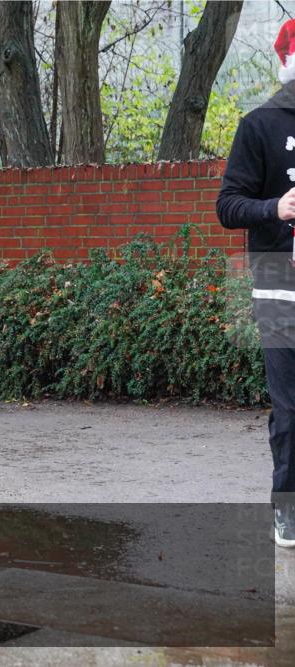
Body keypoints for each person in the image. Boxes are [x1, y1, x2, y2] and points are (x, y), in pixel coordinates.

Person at [216, 18, 295, 548]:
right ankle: (287, 507)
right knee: (290, 406)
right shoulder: (259, 124)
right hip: (277, 281)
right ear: (287, 59)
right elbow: (227, 205)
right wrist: (275, 206)